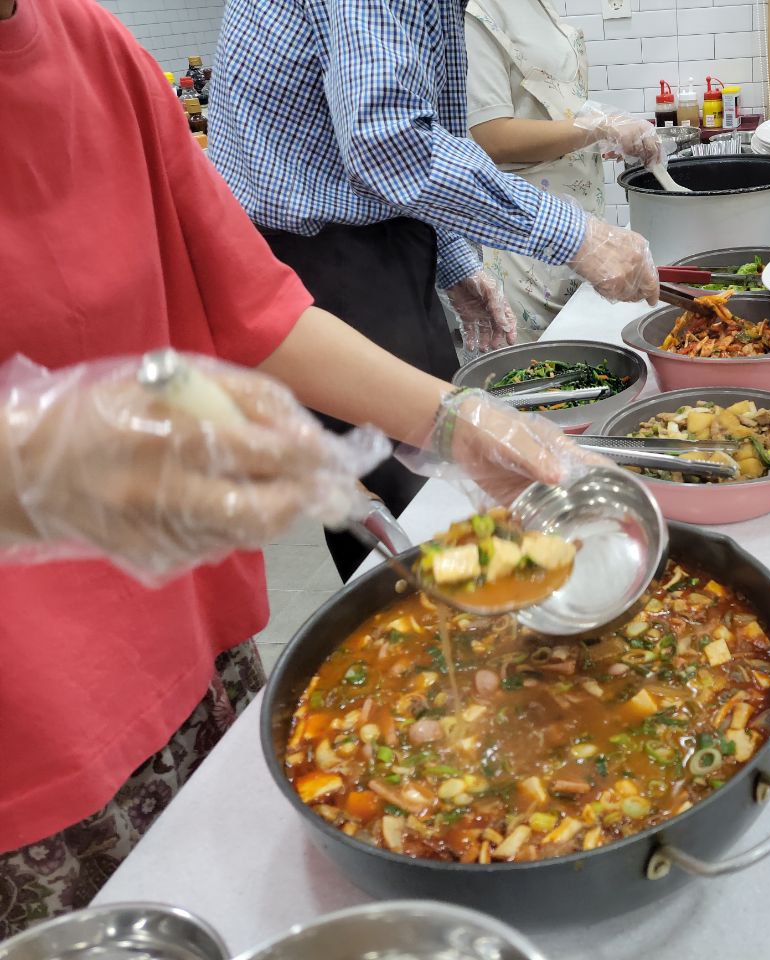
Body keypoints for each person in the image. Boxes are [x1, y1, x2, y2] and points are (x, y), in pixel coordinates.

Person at [0, 0, 599, 935]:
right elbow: (389, 143)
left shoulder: (95, 46)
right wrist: (51, 452)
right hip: (28, 738)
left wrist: (456, 421)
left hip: (195, 643)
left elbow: (252, 305)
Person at [208, 0, 659, 580]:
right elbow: (386, 142)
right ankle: (424, 629)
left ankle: (475, 596)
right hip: (314, 258)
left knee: (441, 464)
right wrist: (576, 236)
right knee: (402, 498)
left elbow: (419, 131)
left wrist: (450, 258)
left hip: (375, 236)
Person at [464, 0, 662, 343]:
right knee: (543, 370)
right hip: (527, 239)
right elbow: (489, 136)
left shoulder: (537, 6)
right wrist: (598, 127)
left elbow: (546, 111)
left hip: (576, 226)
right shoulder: (477, 12)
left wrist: (596, 137)